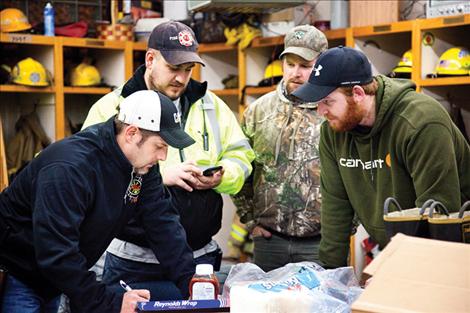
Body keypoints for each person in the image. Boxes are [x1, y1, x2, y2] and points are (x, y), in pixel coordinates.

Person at [82, 20, 254, 297]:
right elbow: (93, 180)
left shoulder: (211, 105)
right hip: (132, 259)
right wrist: (162, 177)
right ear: (150, 59)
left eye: (188, 70)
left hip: (199, 257)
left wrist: (223, 174)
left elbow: (242, 154)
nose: (182, 79)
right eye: (174, 68)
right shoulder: (111, 107)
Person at [0, 90, 196, 313]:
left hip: (56, 278)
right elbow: (56, 252)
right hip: (18, 274)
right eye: (160, 146)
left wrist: (192, 282)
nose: (163, 156)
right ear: (132, 134)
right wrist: (110, 303)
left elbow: (162, 222)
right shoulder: (70, 169)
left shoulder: (141, 166)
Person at [292, 46, 470, 268]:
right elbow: (336, 207)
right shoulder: (333, 131)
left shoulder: (420, 122)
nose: (320, 111)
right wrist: (329, 277)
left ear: (357, 94)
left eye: (327, 101)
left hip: (453, 253)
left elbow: (438, 213)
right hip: (397, 249)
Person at [233, 25, 328, 272]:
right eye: (290, 64)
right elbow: (241, 168)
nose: (296, 73)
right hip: (268, 241)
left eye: (305, 66)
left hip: (320, 243)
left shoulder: (332, 111)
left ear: (321, 66)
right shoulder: (258, 111)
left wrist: (342, 231)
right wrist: (250, 220)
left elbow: (354, 175)